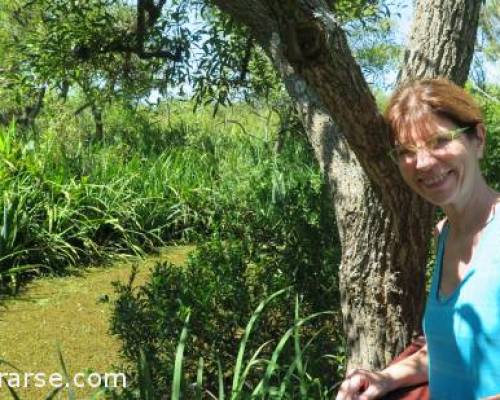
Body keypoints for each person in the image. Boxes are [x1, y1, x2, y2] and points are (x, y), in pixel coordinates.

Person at [336, 78, 500, 400]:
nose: (422, 162)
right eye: (406, 151)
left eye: (439, 141)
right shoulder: (445, 234)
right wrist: (385, 378)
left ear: (478, 139)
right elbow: (451, 352)